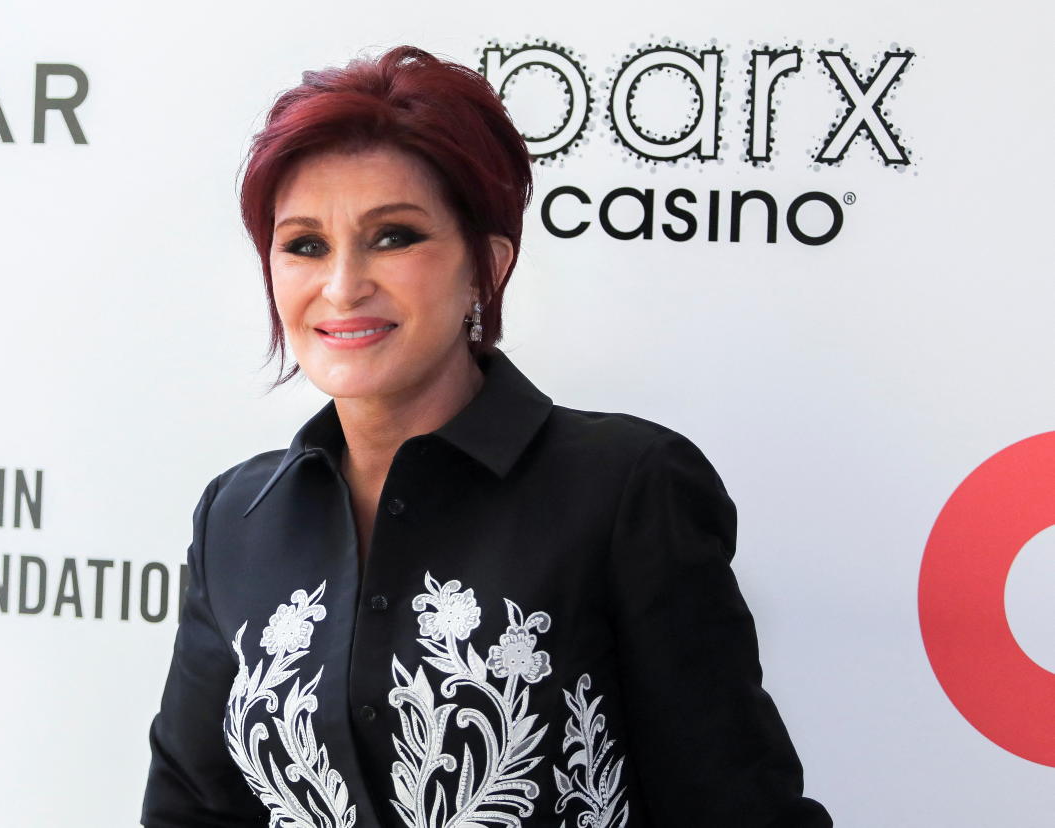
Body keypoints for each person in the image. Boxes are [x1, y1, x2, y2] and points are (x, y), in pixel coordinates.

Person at [141, 45, 832, 828]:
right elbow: (192, 810)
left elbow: (736, 812)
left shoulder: (626, 491)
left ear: (487, 267)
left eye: (394, 236)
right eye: (304, 245)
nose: (342, 285)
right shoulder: (239, 518)